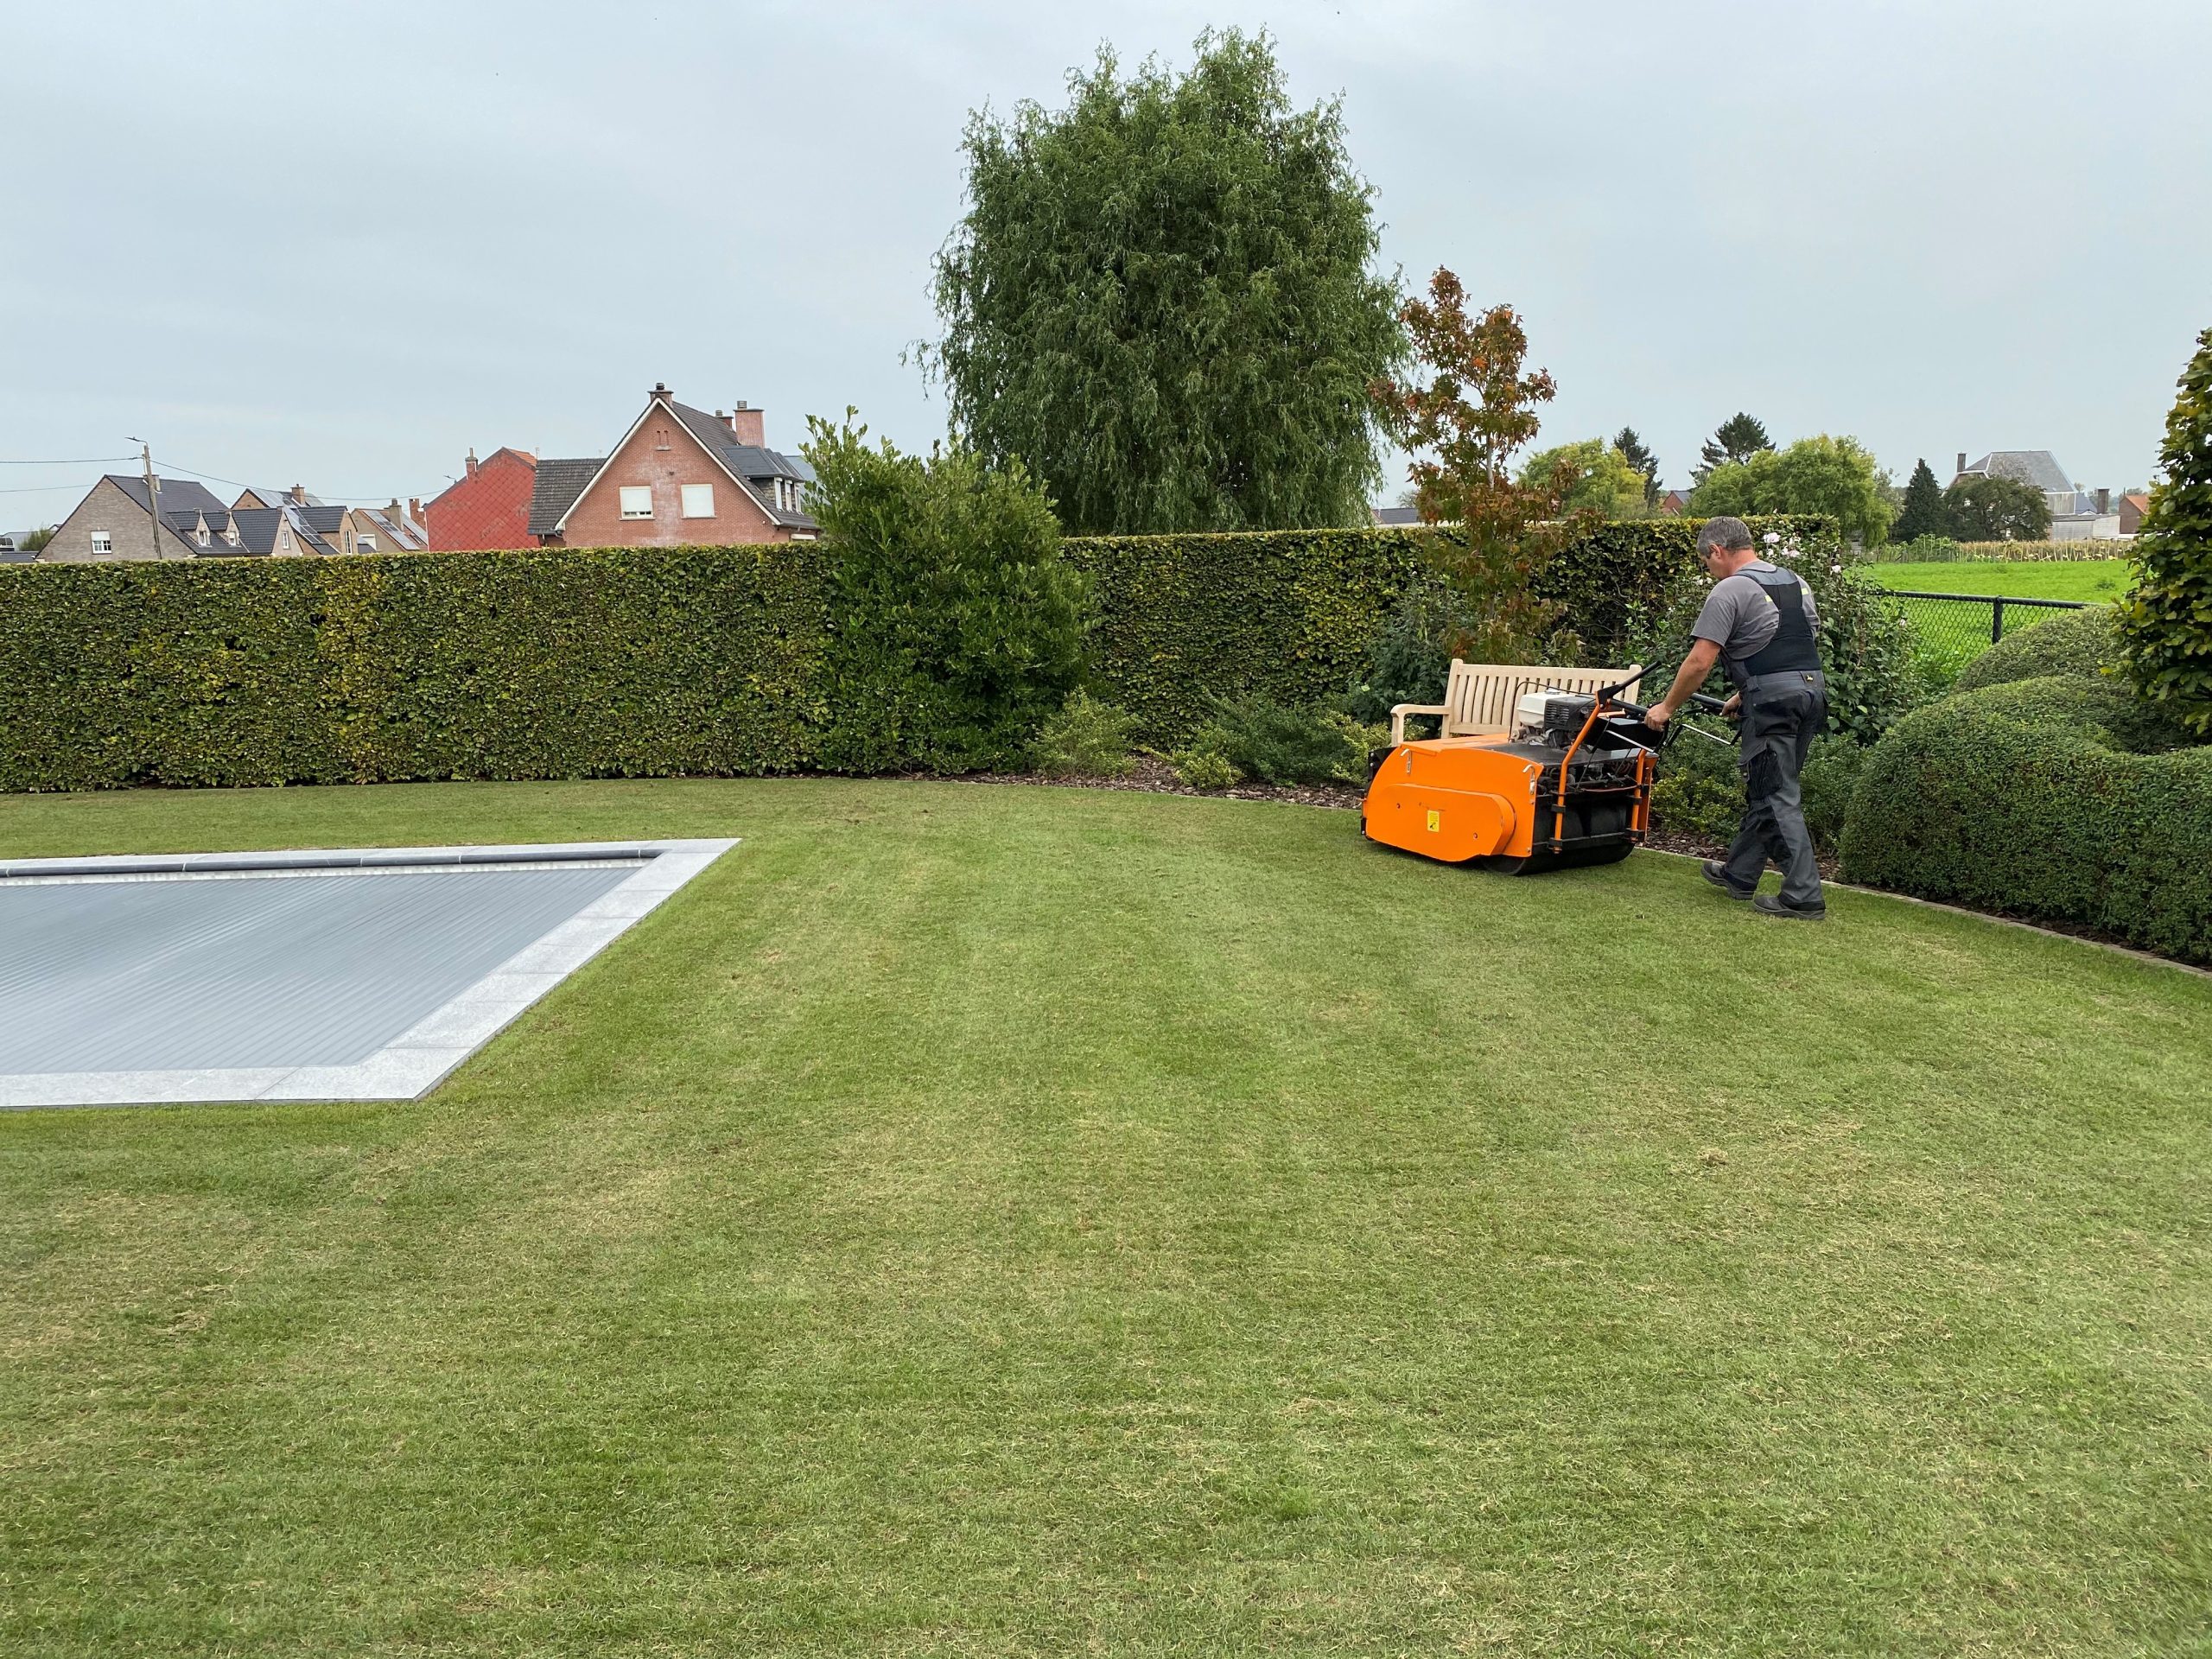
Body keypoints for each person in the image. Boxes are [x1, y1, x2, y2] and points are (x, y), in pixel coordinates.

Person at [1641, 518, 1827, 918]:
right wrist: (1744, 692)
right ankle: (1740, 875)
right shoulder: (1796, 582)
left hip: (1774, 703)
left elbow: (1699, 661)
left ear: (1716, 551)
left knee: (1775, 792)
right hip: (1810, 692)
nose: (1708, 569)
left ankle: (1803, 895)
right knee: (1767, 784)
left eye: (1706, 561)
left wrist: (1666, 707)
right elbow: (1793, 643)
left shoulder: (1730, 589)